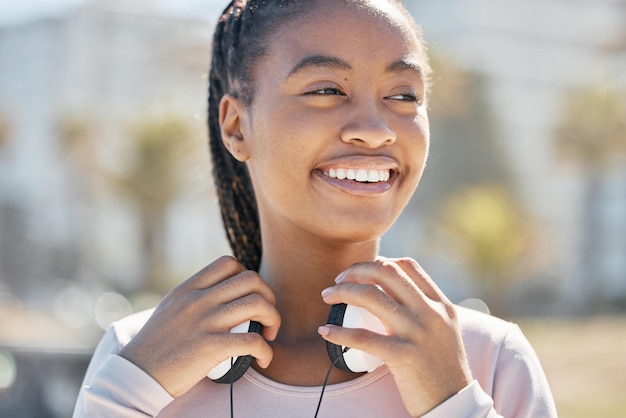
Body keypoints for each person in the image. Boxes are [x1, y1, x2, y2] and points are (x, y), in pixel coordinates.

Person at [73, 0, 558, 417]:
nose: (375, 129)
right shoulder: (139, 356)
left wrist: (455, 403)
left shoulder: (490, 359)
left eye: (403, 95)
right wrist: (123, 395)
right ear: (237, 127)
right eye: (327, 89)